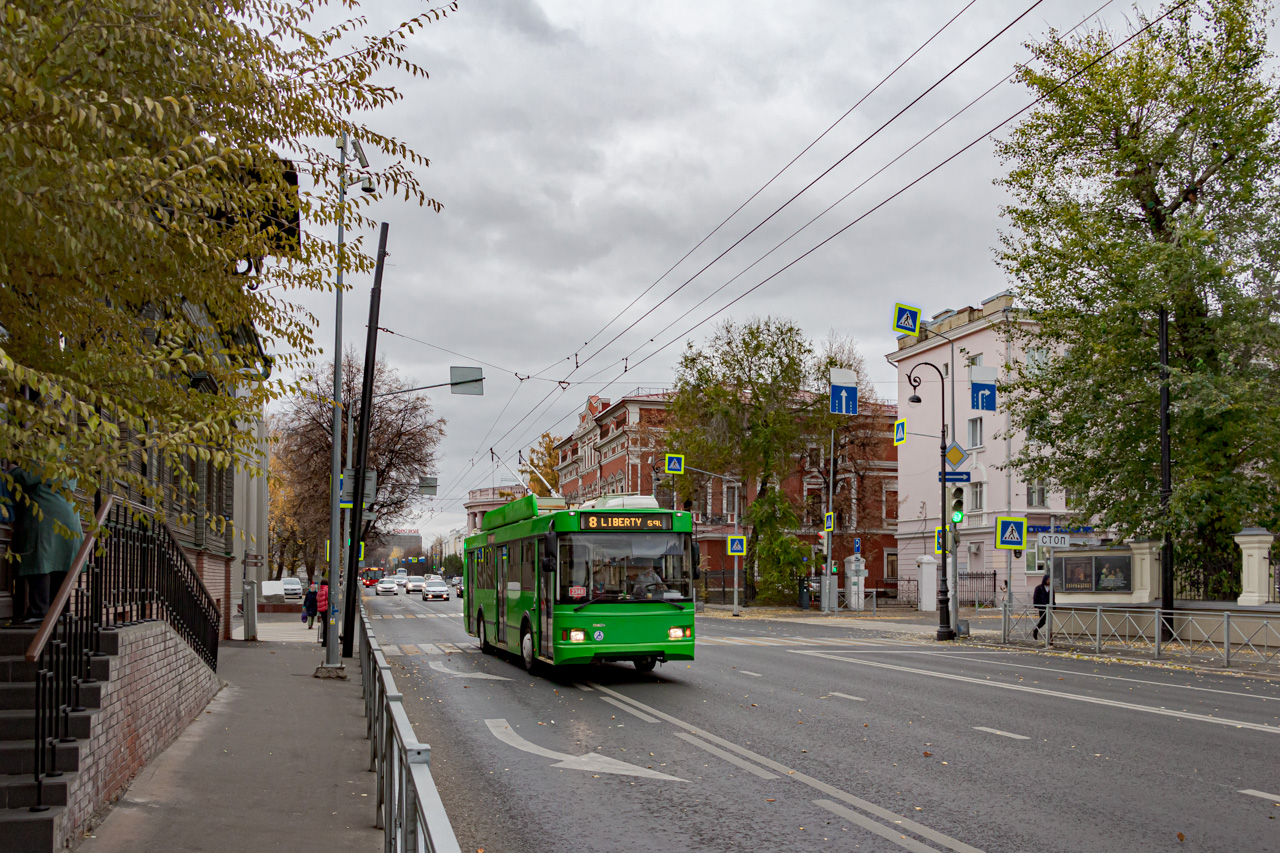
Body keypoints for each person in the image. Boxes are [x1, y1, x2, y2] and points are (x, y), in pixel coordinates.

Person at [8, 468, 83, 624]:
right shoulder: (71, 462)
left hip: (45, 515)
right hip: (69, 516)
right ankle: (59, 611)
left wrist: (13, 470)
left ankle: (39, 611)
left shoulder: (44, 460)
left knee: (40, 561)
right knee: (61, 564)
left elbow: (25, 476)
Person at [1032, 573, 1051, 640]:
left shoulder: (1051, 588)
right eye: (1048, 580)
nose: (1049, 581)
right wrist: (1036, 605)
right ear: (1045, 580)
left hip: (1049, 607)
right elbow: (1035, 597)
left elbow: (1052, 597)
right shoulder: (1039, 588)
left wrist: (1054, 605)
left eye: (1050, 580)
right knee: (1043, 621)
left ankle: (1049, 636)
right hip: (1042, 607)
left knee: (1050, 621)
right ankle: (1035, 630)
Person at [316, 579, 330, 644]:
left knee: (325, 624)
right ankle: (325, 641)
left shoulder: (320, 590)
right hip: (326, 609)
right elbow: (329, 598)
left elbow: (317, 599)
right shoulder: (327, 589)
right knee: (327, 625)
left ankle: (325, 641)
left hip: (321, 609)